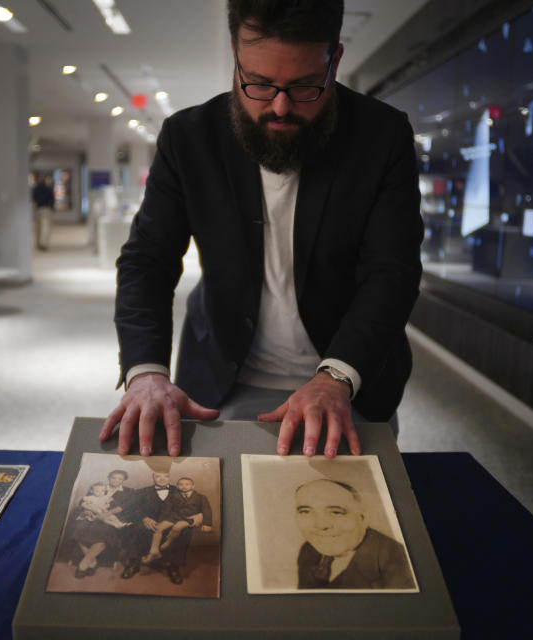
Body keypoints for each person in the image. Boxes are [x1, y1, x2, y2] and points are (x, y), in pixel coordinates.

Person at [101, 0, 423, 459]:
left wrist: (335, 379)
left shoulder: (382, 135)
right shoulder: (188, 138)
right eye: (258, 83)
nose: (279, 106)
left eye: (306, 86)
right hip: (222, 381)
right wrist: (146, 372)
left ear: (335, 61)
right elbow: (147, 262)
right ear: (235, 53)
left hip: (348, 381)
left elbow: (392, 272)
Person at [293, 478, 413, 589]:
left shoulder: (398, 560)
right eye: (305, 512)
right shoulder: (308, 551)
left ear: (363, 517)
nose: (320, 525)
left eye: (336, 512)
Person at [120, 471, 190, 584]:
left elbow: (187, 508)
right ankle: (133, 563)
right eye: (158, 476)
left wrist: (172, 521)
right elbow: (133, 509)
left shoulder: (180, 490)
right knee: (134, 528)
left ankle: (173, 565)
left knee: (185, 530)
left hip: (171, 523)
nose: (162, 479)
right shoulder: (143, 491)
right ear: (153, 477)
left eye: (165, 476)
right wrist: (144, 518)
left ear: (169, 477)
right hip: (148, 523)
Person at [140, 477, 212, 564]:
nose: (184, 486)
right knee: (158, 528)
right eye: (181, 485)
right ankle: (154, 550)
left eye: (187, 484)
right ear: (177, 486)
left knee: (177, 527)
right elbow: (166, 509)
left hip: (188, 518)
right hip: (174, 517)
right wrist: (161, 520)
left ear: (193, 486)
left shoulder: (200, 497)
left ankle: (167, 543)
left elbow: (207, 510)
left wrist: (207, 523)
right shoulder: (173, 496)